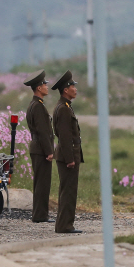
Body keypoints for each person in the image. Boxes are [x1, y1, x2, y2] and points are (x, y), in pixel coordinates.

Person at [51, 70, 84, 234]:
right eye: (73, 86)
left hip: (67, 155)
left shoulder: (64, 107)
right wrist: (70, 158)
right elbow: (64, 136)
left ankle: (64, 224)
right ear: (66, 89)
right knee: (68, 191)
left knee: (68, 190)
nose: (75, 89)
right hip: (67, 156)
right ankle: (65, 226)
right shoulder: (63, 109)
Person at [23, 70, 55, 223]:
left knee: (40, 182)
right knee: (42, 183)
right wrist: (49, 151)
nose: (46, 87)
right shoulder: (38, 106)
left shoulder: (34, 104)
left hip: (37, 148)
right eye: (44, 84)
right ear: (38, 88)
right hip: (41, 149)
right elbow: (42, 131)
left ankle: (39, 214)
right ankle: (40, 215)